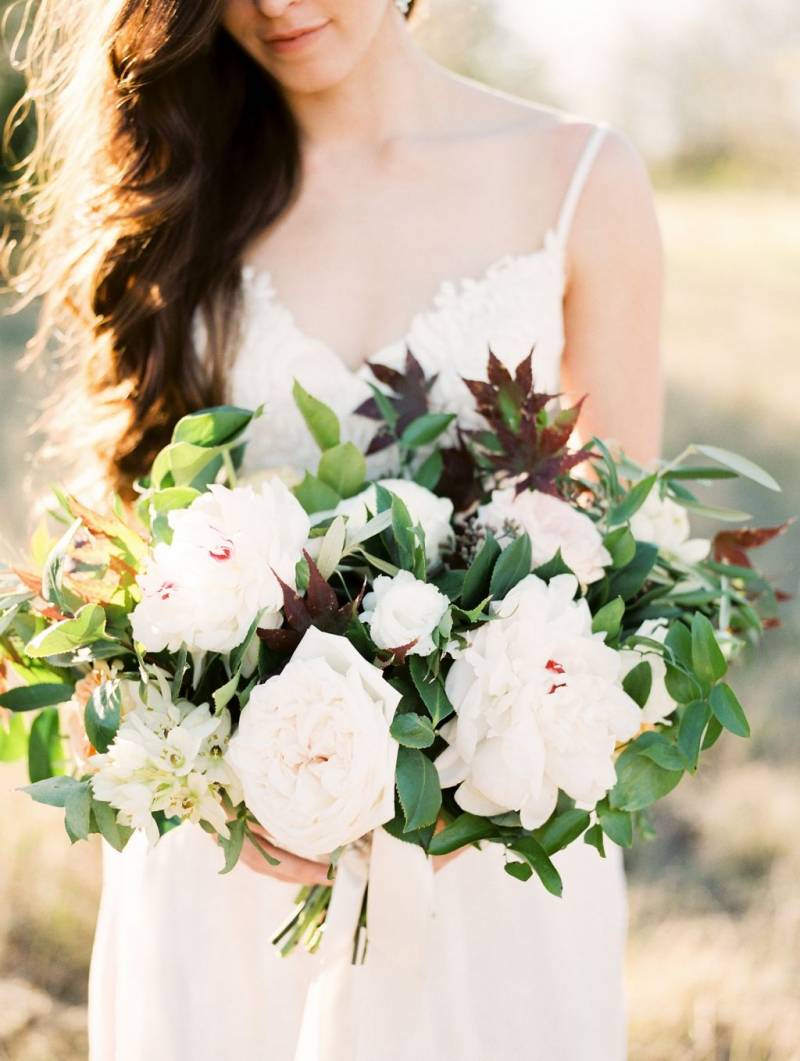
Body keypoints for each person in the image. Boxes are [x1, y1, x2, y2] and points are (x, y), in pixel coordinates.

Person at [8, 1, 664, 1057]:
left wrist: (471, 797)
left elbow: (627, 576)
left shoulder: (577, 179)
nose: (273, 2)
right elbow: (131, 549)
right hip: (234, 863)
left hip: (489, 858)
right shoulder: (183, 187)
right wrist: (218, 783)